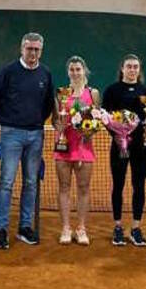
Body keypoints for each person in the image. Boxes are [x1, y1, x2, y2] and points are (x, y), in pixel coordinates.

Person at [0, 32, 54, 249]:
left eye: (37, 49)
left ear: (41, 51)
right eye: (29, 49)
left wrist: (35, 123)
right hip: (11, 134)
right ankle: (2, 229)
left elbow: (47, 104)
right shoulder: (9, 71)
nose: (33, 53)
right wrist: (8, 123)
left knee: (30, 182)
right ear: (22, 49)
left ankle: (25, 227)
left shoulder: (45, 73)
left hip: (36, 135)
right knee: (6, 182)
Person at [101, 54, 146, 247]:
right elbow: (106, 117)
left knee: (139, 185)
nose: (132, 70)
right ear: (122, 68)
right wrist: (117, 134)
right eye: (129, 66)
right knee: (118, 185)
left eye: (135, 67)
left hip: (139, 147)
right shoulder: (112, 91)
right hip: (118, 145)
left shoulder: (145, 91)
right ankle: (118, 226)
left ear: (139, 70)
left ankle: (136, 228)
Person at [52, 56, 99, 246]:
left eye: (78, 69)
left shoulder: (93, 93)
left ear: (84, 70)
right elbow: (55, 120)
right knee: (64, 187)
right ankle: (65, 228)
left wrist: (89, 131)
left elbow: (97, 118)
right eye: (71, 69)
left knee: (83, 188)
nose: (75, 72)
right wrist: (59, 127)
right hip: (63, 146)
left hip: (84, 147)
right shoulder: (61, 94)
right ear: (68, 72)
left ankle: (81, 228)